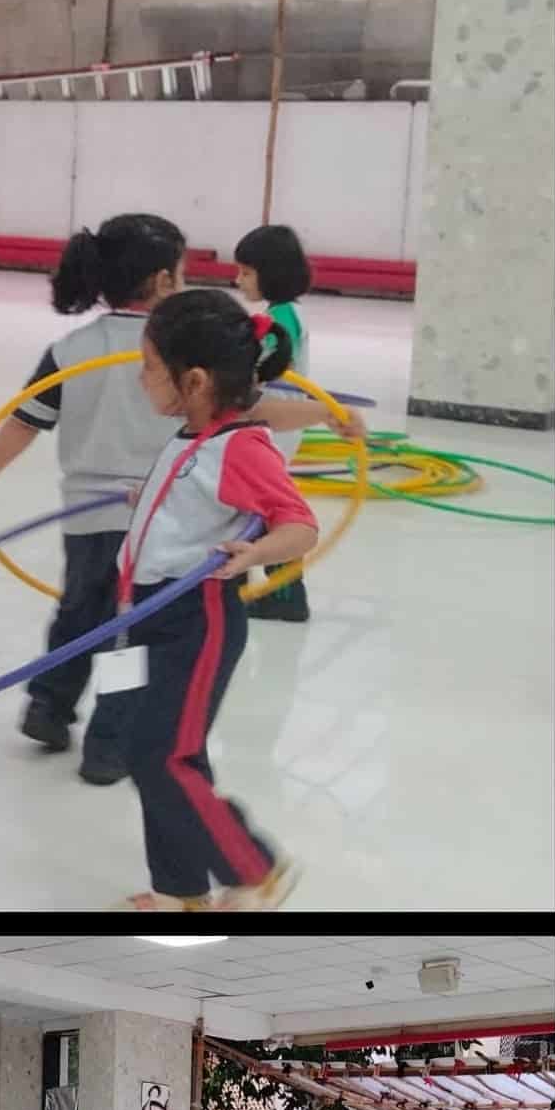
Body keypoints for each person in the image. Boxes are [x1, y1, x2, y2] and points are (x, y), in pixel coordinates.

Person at [0, 214, 189, 786]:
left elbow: (25, 421)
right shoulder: (180, 349)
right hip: (154, 518)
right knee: (130, 634)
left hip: (85, 517)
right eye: (183, 276)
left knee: (80, 612)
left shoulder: (72, 348)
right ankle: (109, 742)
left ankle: (49, 706)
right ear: (161, 282)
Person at [114, 290, 321, 911]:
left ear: (194, 380)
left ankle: (255, 865)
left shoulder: (239, 444)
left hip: (193, 622)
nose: (139, 376)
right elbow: (194, 499)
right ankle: (181, 893)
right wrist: (150, 502)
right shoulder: (193, 434)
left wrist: (254, 554)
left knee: (164, 757)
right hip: (143, 614)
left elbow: (299, 524)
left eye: (149, 366)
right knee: (148, 751)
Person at [233, 225, 319, 624]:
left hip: (273, 422)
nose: (238, 280)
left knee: (262, 507)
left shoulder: (278, 317)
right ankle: (278, 590)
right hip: (280, 422)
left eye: (246, 272)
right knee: (266, 505)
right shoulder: (286, 312)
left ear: (270, 272)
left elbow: (258, 370)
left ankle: (280, 593)